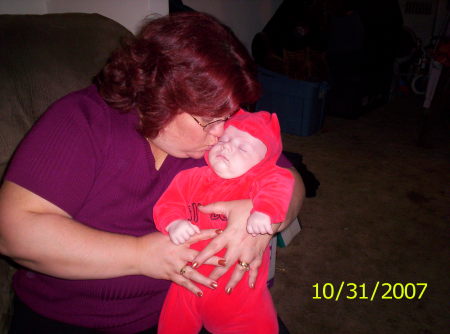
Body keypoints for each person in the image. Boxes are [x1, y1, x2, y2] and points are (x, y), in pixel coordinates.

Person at [0, 12, 304, 333]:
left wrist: (263, 221)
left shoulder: (219, 131)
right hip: (73, 316)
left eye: (228, 117)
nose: (223, 133)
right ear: (161, 97)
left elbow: (289, 178)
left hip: (190, 301)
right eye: (209, 121)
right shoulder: (81, 122)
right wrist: (141, 255)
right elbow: (12, 232)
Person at [154, 110, 294, 334]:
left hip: (239, 291)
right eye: (225, 139)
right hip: (187, 279)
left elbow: (280, 184)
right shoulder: (190, 178)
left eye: (243, 147)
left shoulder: (262, 179)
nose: (227, 146)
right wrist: (173, 223)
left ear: (263, 162)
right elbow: (167, 205)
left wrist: (265, 212)